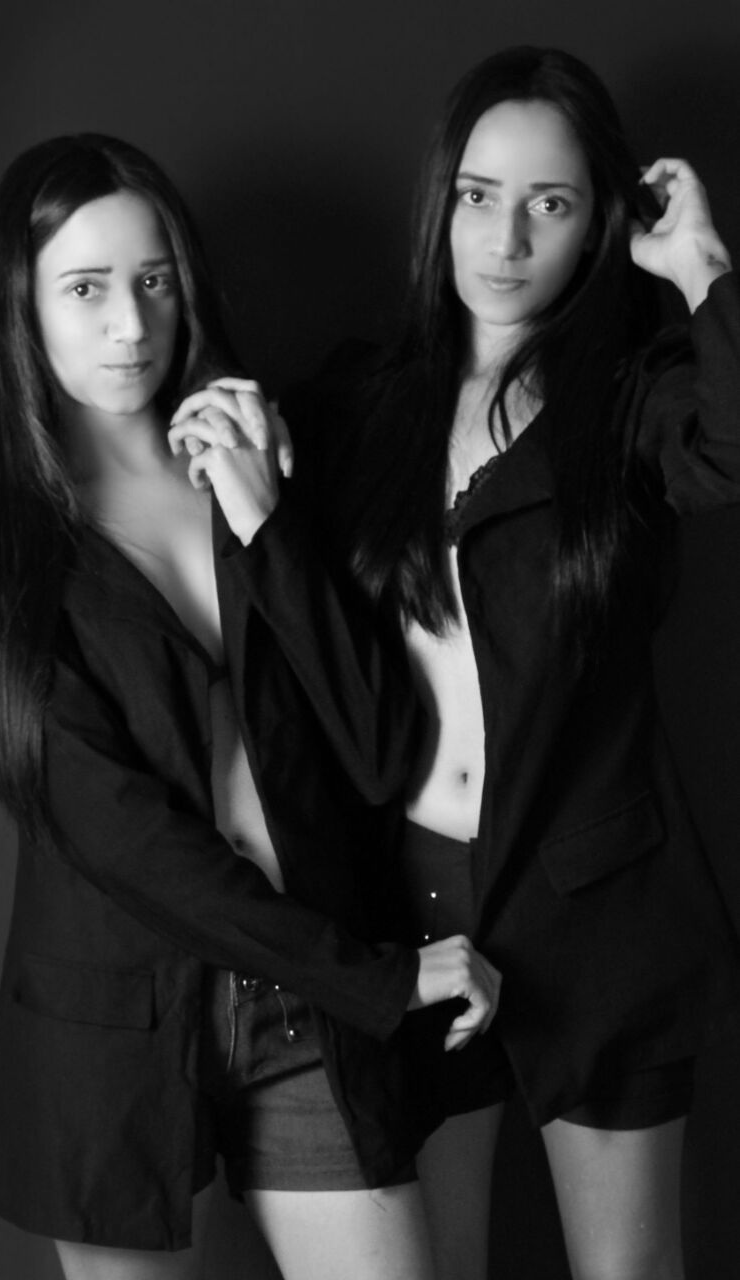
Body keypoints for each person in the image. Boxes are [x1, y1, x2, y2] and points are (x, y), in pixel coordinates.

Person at [180, 45, 740, 1280]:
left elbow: (728, 450)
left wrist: (701, 269)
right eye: (480, 196)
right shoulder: (363, 401)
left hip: (598, 913)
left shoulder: (633, 400)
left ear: (599, 222)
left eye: (551, 203)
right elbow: (284, 581)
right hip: (416, 908)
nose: (505, 239)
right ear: (442, 200)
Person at [0, 133, 501, 1280]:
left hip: (303, 1010)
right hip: (115, 1029)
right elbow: (124, 838)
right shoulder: (4, 549)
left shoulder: (249, 467)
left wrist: (268, 524)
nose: (130, 324)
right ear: (21, 305)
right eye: (85, 288)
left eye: (153, 279)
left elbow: (378, 747)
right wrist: (375, 975)